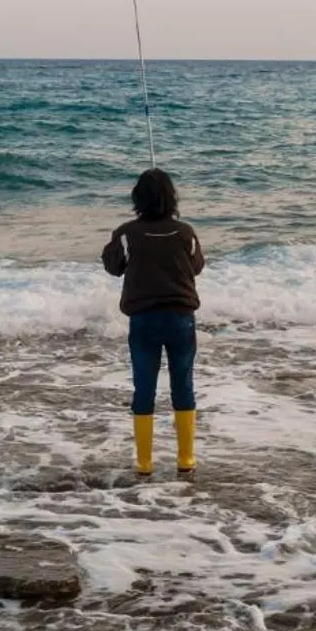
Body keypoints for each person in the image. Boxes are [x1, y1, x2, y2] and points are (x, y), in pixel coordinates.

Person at [100, 167, 204, 476]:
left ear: (138, 199)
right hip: (180, 319)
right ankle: (185, 458)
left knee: (143, 388)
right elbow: (196, 267)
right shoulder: (186, 233)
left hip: (143, 321)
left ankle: (144, 462)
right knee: (183, 384)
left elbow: (112, 266)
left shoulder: (127, 233)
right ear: (172, 198)